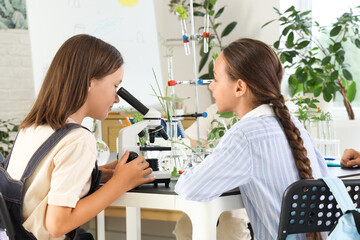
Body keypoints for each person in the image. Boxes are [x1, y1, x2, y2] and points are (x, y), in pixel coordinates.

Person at [175, 38, 329, 240]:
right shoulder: (294, 125)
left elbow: (190, 188)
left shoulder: (245, 135)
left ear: (239, 87)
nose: (211, 86)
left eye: (215, 79)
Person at [5, 34, 154, 239]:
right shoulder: (78, 139)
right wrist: (120, 184)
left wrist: (100, 174)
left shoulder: (31, 127)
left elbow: (37, 187)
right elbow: (57, 224)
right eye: (114, 86)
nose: (117, 98)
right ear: (90, 83)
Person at [173, 104, 252, 240]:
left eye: (216, 81)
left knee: (230, 225)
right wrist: (210, 147)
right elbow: (185, 139)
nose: (211, 86)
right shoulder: (214, 110)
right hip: (213, 186)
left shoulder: (251, 113)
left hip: (242, 190)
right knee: (183, 226)